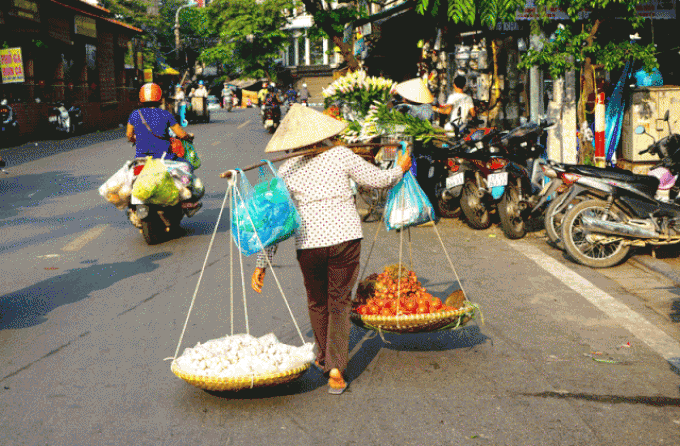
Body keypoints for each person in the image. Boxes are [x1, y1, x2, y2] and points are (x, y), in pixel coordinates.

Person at [250, 105, 411, 394]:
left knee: (317, 301)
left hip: (309, 246)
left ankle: (326, 357)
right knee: (339, 302)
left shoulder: (286, 170)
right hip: (344, 240)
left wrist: (262, 263)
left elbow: (277, 222)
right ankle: (334, 367)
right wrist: (401, 167)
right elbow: (378, 180)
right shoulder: (340, 154)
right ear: (320, 135)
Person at [126, 82, 194, 162]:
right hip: (164, 158)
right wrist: (189, 136)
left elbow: (129, 135)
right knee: (187, 165)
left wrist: (137, 139)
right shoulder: (166, 114)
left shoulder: (135, 114)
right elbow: (181, 134)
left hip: (141, 159)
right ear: (160, 98)